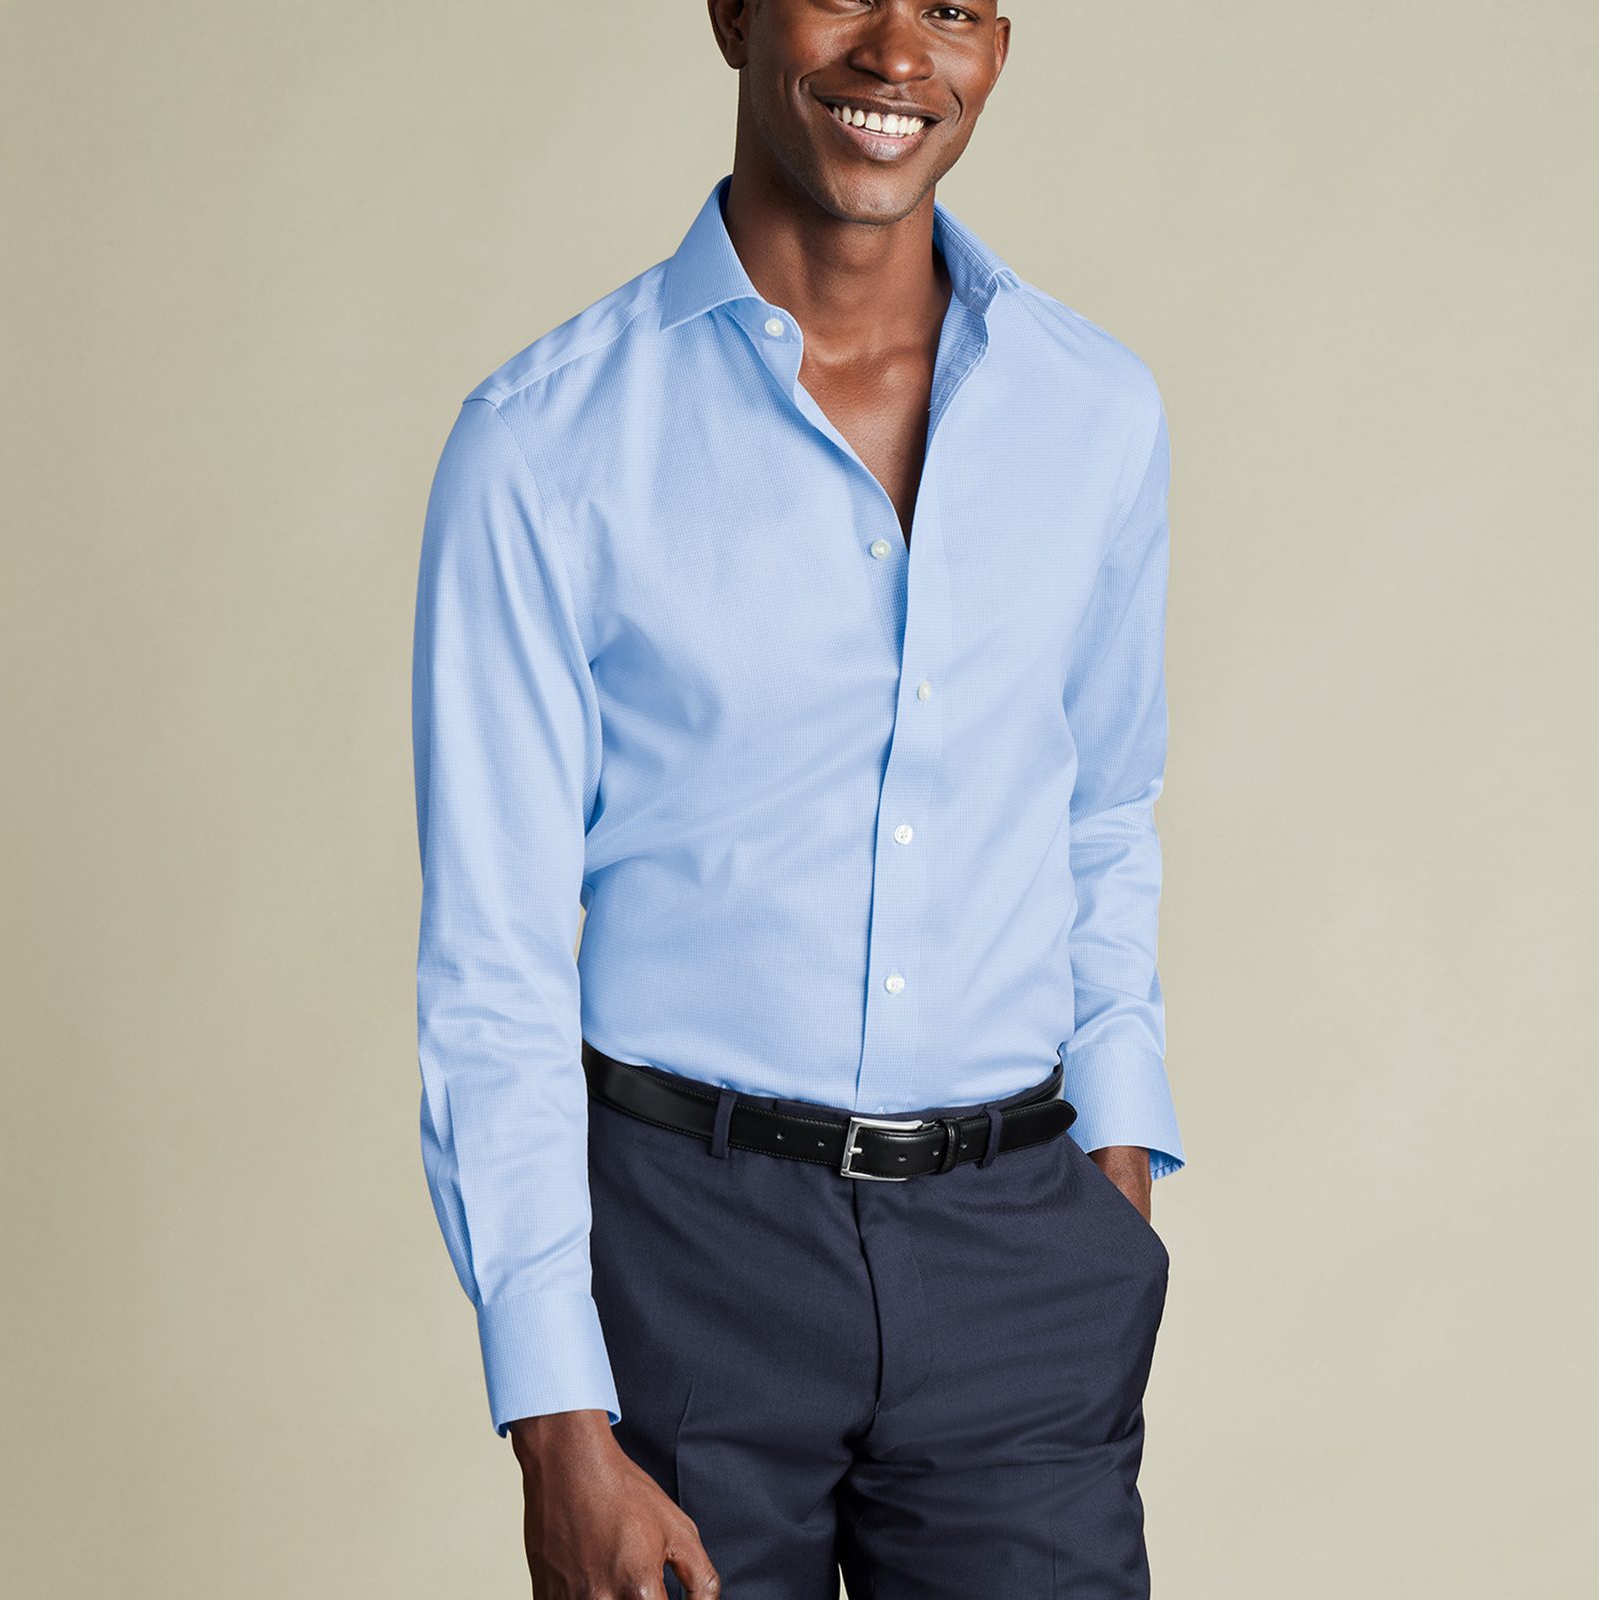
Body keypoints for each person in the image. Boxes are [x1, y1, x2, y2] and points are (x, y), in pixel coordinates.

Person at [410, 2, 1186, 1594]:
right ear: (733, 13)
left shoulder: (1094, 412)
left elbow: (1103, 809)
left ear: (999, 46)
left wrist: (1119, 1155)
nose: (898, 53)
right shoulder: (545, 445)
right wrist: (556, 1419)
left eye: (950, 8)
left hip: (1019, 1258)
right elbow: (493, 959)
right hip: (684, 1264)